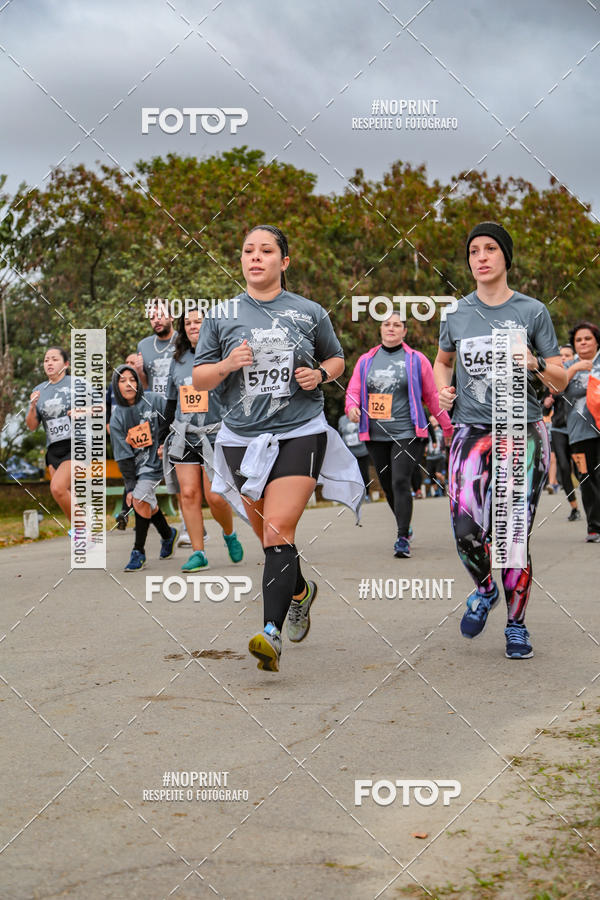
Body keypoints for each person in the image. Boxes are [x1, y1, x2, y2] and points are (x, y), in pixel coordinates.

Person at [193, 224, 363, 673]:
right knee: (270, 536)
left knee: (278, 530)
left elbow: (336, 357)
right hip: (240, 438)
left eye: (266, 250)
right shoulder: (221, 315)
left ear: (283, 262)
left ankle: (269, 633)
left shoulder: (309, 312)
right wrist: (228, 363)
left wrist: (321, 376)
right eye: (248, 250)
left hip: (299, 430)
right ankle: (300, 592)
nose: (256, 257)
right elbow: (200, 378)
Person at [434, 222, 567, 659]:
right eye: (474, 251)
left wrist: (534, 362)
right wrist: (443, 388)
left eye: (491, 248)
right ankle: (486, 589)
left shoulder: (532, 312)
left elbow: (561, 378)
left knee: (511, 537)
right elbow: (443, 361)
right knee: (465, 529)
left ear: (506, 257)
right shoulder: (456, 314)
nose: (482, 257)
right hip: (470, 431)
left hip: (521, 431)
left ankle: (516, 625)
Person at [345, 312, 453, 557]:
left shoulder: (416, 360)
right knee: (387, 486)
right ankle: (405, 525)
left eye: (397, 325)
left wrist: (447, 427)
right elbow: (353, 390)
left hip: (407, 432)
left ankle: (402, 537)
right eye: (386, 325)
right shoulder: (366, 360)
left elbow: (432, 397)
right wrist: (351, 407)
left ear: (404, 332)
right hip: (375, 434)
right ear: (381, 330)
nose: (391, 328)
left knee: (400, 481)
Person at [158, 309, 244, 571]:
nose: (193, 326)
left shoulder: (220, 355)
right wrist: (163, 437)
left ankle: (229, 533)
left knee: (216, 496)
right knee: (189, 494)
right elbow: (171, 402)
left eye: (198, 322)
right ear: (182, 329)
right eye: (188, 323)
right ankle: (198, 552)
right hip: (184, 434)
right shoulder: (179, 359)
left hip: (215, 434)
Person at [109, 365, 178, 571]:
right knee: (143, 500)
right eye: (122, 380)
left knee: (139, 499)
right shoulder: (117, 417)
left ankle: (138, 551)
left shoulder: (154, 400)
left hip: (157, 461)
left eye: (132, 379)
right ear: (116, 386)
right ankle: (167, 534)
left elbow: (173, 419)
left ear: (138, 382)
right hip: (136, 467)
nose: (128, 383)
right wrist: (129, 485)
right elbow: (122, 456)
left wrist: (167, 442)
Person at [137, 306, 191, 548]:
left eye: (160, 315)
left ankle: (187, 526)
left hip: (180, 408)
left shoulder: (184, 340)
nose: (156, 320)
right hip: (155, 412)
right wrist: (138, 372)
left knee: (180, 470)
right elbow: (144, 385)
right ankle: (164, 527)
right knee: (155, 470)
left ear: (171, 316)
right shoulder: (144, 346)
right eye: (151, 317)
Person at [26, 346, 79, 529]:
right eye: (46, 359)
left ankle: (82, 529)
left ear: (66, 364)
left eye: (54, 359)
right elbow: (32, 426)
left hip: (77, 444)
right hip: (54, 448)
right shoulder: (38, 390)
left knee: (57, 488)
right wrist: (32, 406)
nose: (49, 363)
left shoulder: (77, 384)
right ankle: (83, 535)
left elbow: (102, 408)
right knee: (67, 494)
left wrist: (83, 411)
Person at [561, 321, 600, 542]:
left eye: (588, 338)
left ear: (596, 341)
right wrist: (575, 368)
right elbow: (554, 388)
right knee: (586, 479)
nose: (583, 342)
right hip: (578, 433)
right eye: (579, 340)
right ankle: (594, 527)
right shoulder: (567, 366)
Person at [107, 352, 140, 530]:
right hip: (119, 436)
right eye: (126, 362)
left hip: (138, 439)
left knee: (138, 477)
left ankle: (130, 513)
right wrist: (108, 424)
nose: (128, 364)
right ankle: (128, 513)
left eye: (132, 362)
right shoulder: (113, 387)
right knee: (130, 477)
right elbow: (105, 407)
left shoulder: (142, 389)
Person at [337, 413, 371, 500]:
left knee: (364, 475)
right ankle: (354, 496)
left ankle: (366, 494)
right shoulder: (342, 419)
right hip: (349, 454)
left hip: (363, 452)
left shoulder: (362, 417)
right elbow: (341, 433)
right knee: (351, 476)